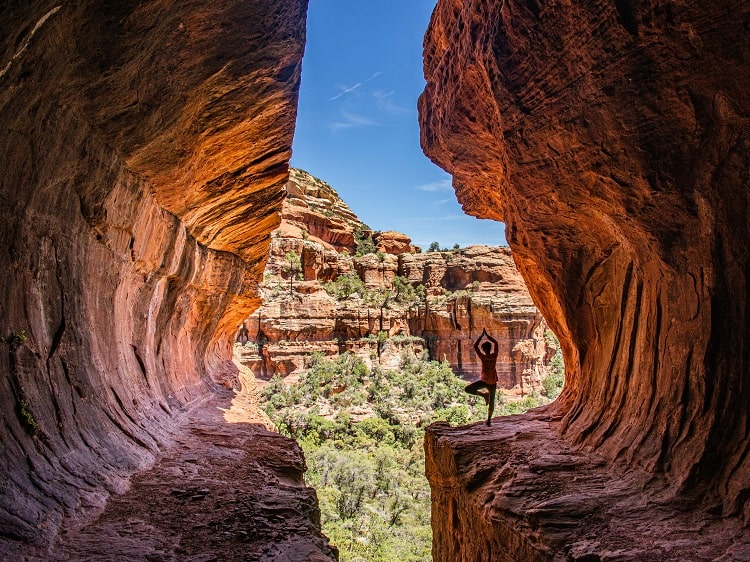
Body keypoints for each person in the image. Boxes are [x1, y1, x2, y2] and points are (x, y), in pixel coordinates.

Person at [465, 328, 498, 426]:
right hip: (493, 381)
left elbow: (475, 347)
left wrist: (481, 337)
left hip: (484, 381)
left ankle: (483, 395)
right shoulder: (494, 356)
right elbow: (496, 343)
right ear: (490, 348)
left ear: (483, 349)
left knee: (468, 389)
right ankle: (488, 420)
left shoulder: (483, 357)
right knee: (492, 401)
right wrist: (488, 337)